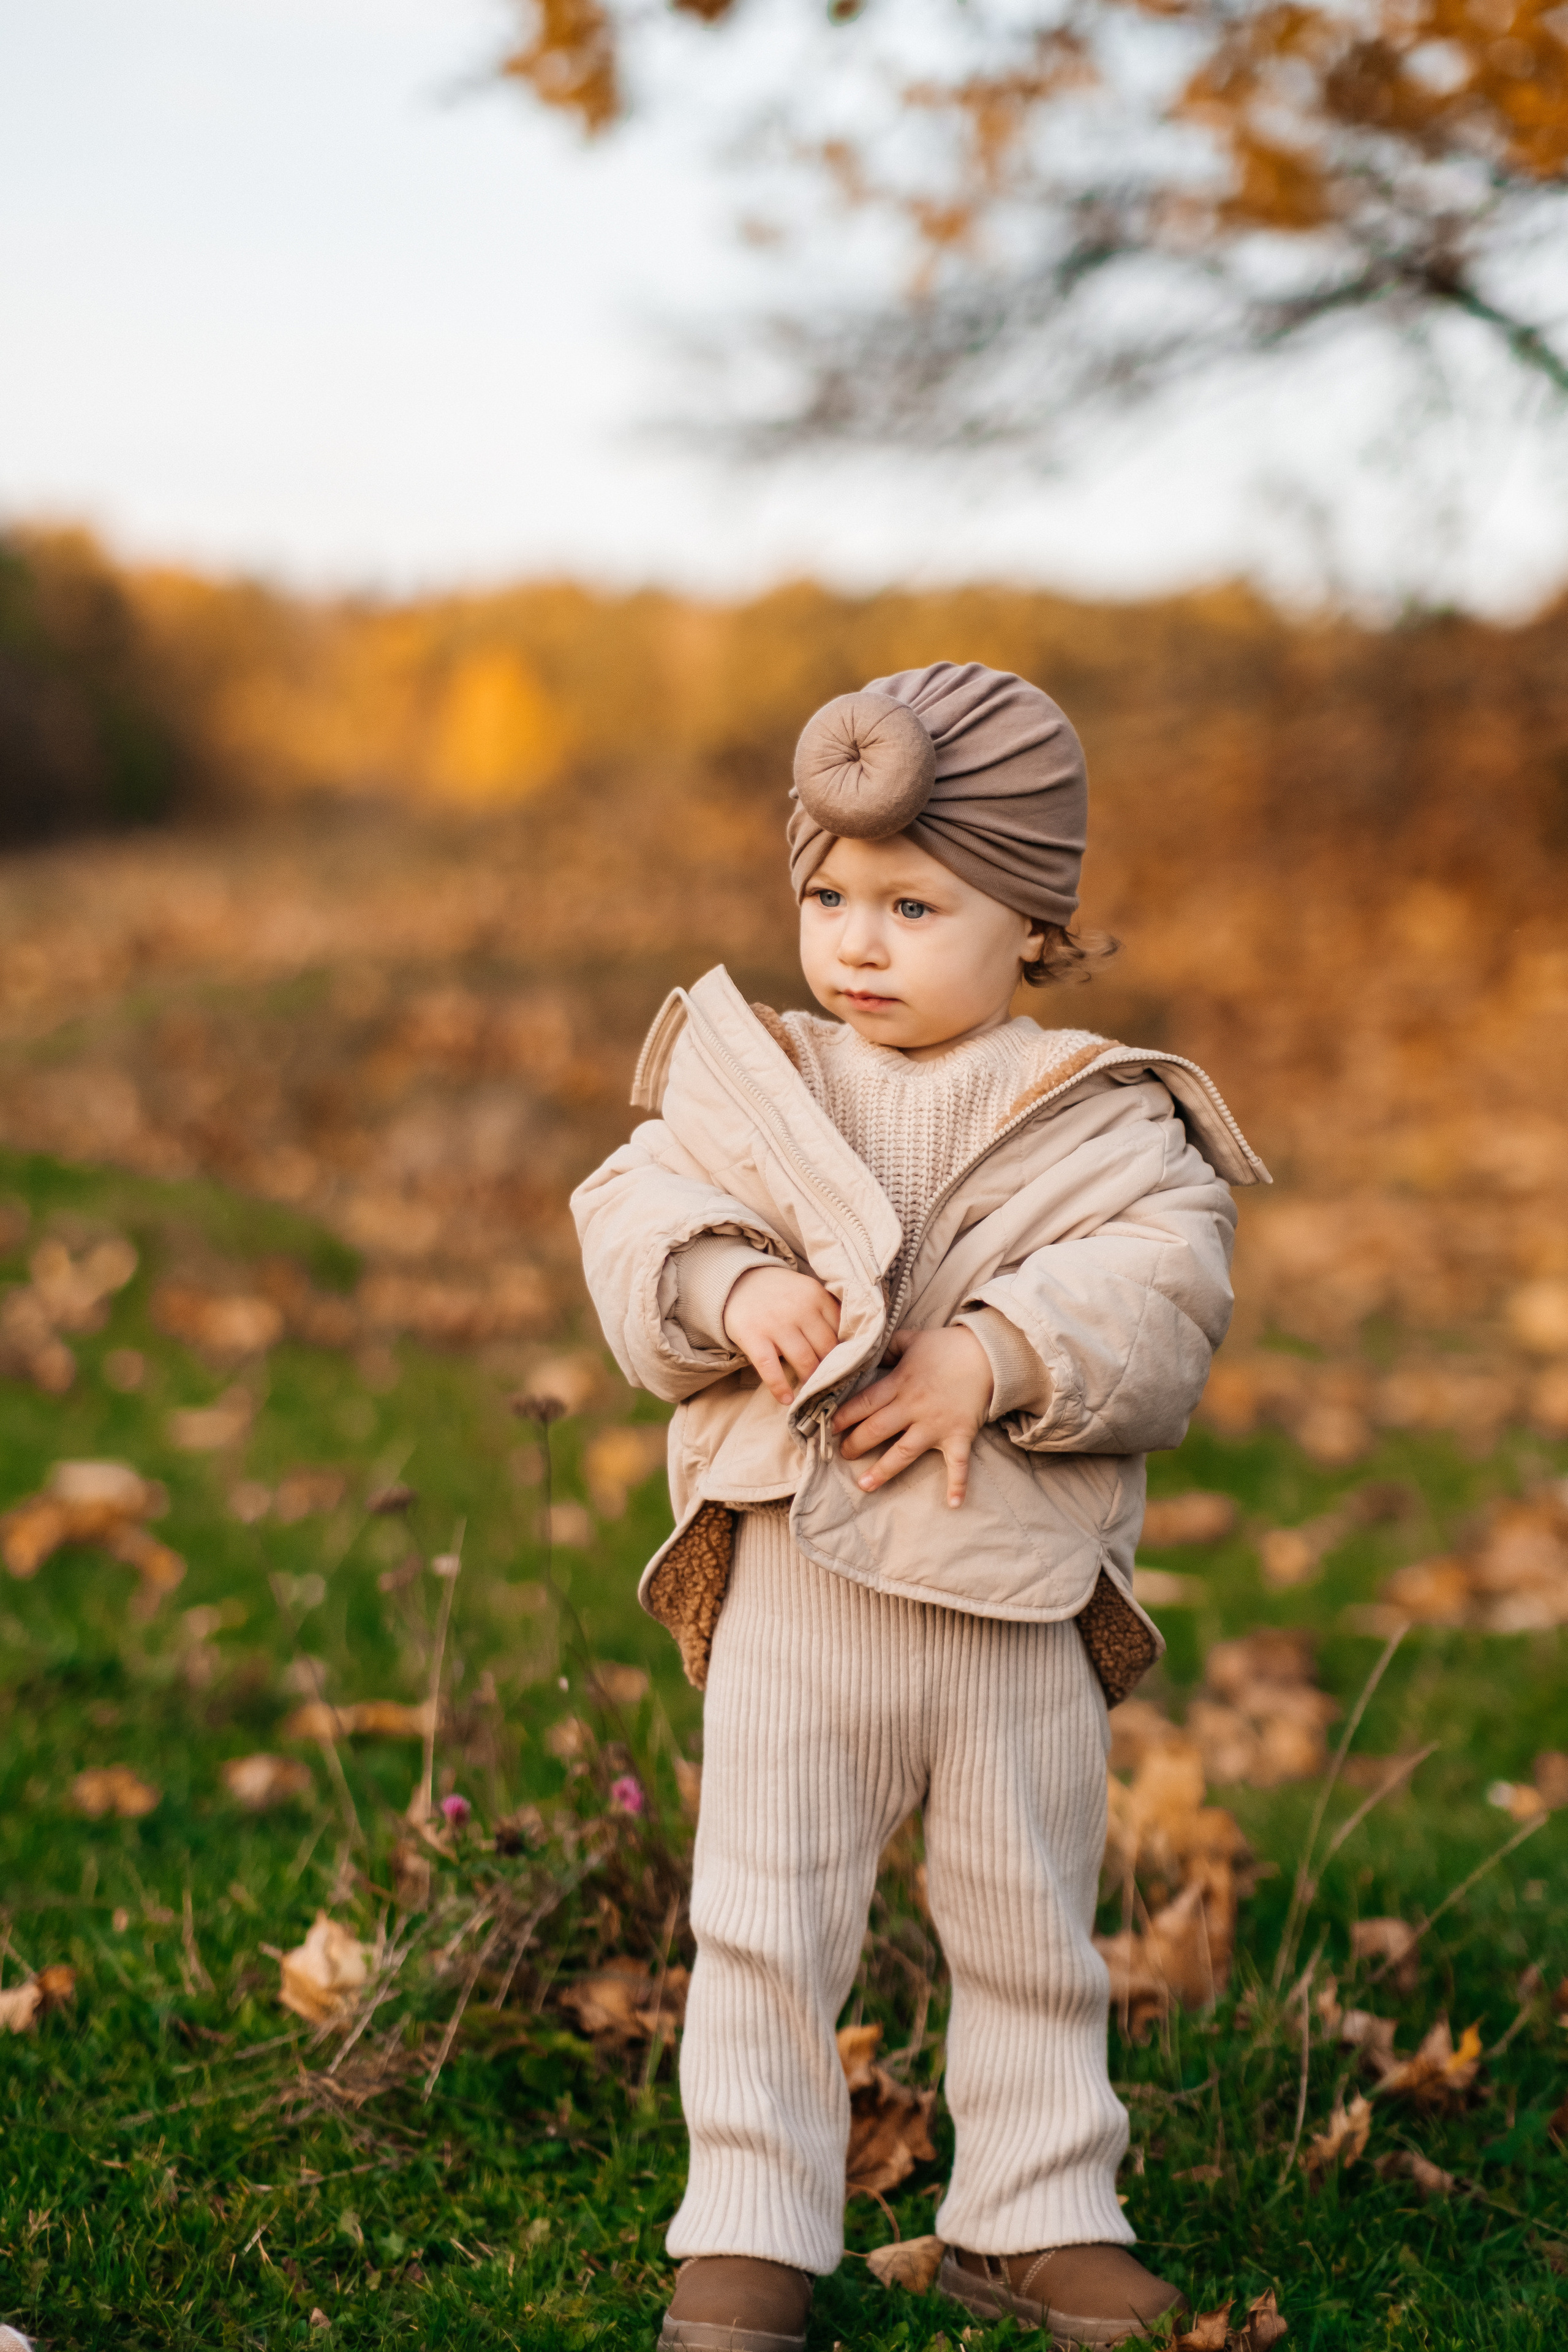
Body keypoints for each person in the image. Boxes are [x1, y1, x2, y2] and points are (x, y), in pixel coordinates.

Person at [571, 661, 1268, 2351]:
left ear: (1031, 921)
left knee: (1030, 1921)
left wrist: (1000, 1351)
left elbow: (1166, 1294)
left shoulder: (1108, 1113)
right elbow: (633, 1210)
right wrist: (731, 1289)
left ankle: (1033, 2213)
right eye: (827, 896)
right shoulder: (752, 1079)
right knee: (763, 1916)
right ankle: (747, 2224)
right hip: (799, 1591)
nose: (857, 942)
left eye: (912, 902)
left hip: (1010, 1596)